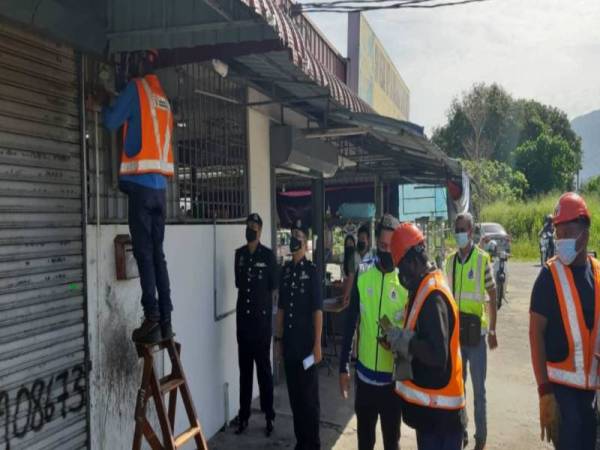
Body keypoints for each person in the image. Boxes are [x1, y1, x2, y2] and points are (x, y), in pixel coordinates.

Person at [100, 49, 174, 344]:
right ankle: (166, 319)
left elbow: (111, 121)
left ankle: (152, 317)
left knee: (143, 254)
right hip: (160, 191)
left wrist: (104, 103)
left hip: (141, 190)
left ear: (138, 64)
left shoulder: (136, 89)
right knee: (158, 255)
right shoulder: (163, 98)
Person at [385, 222, 466, 450]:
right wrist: (400, 339)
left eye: (402, 267)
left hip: (441, 416)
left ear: (414, 259)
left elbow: (437, 354)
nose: (401, 275)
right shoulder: (423, 288)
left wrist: (406, 341)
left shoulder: (433, 296)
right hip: (433, 414)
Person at [530, 192, 599, 450]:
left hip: (591, 392)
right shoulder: (549, 276)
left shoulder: (598, 274)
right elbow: (535, 334)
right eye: (558, 233)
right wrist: (544, 392)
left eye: (567, 232)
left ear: (585, 234)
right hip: (561, 392)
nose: (561, 240)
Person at [339, 214, 407, 450]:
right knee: (364, 442)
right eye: (382, 245)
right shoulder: (363, 272)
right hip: (365, 379)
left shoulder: (406, 280)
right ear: (376, 242)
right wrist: (342, 366)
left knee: (392, 443)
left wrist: (398, 343)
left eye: (391, 246)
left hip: (392, 383)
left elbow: (413, 333)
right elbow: (351, 322)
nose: (386, 251)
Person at [444, 213, 498, 450]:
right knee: (458, 388)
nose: (459, 233)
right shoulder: (449, 262)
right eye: (456, 229)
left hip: (476, 337)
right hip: (456, 335)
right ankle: (461, 431)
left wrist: (493, 329)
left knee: (479, 390)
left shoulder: (482, 259)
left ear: (471, 232)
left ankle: (481, 437)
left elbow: (493, 293)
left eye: (462, 229)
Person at [275, 220, 323, 450]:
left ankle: (312, 443)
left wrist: (317, 344)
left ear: (305, 244)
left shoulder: (311, 271)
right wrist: (278, 339)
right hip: (290, 345)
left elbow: (317, 310)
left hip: (306, 346)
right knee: (294, 396)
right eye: (293, 235)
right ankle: (301, 441)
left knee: (308, 398)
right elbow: (281, 308)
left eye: (299, 237)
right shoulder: (285, 271)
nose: (295, 239)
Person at [233, 213, 278, 436]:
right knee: (244, 373)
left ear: (260, 231)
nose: (250, 229)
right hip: (243, 323)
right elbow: (238, 284)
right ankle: (243, 416)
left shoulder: (268, 256)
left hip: (261, 325)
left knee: (264, 372)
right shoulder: (239, 255)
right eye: (248, 226)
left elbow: (273, 288)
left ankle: (269, 415)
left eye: (254, 226)